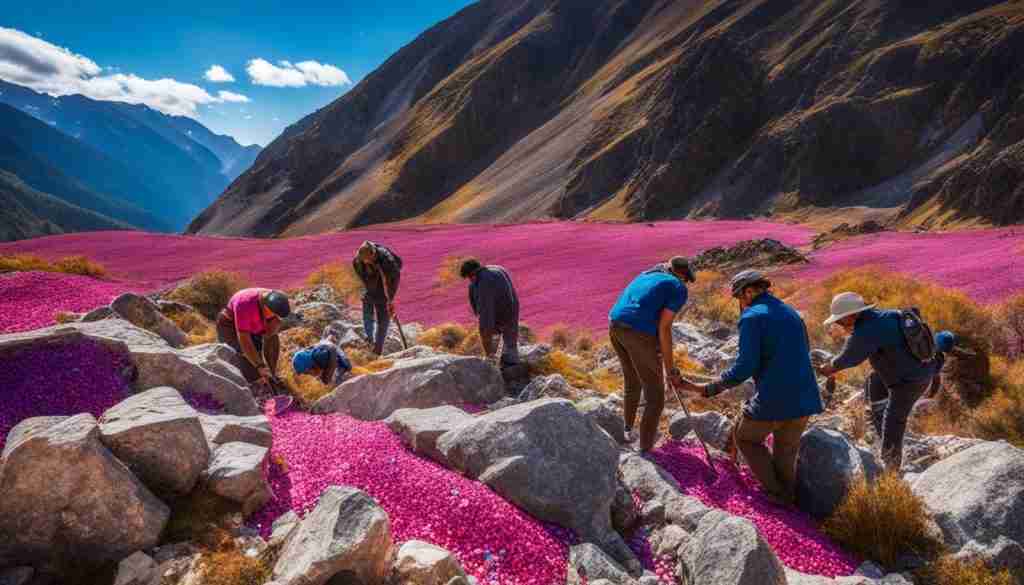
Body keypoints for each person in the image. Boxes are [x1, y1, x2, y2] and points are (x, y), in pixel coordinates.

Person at [679, 270, 823, 506]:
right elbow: (803, 350)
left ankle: (776, 493)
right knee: (785, 450)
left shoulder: (752, 317)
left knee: (745, 438)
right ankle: (788, 498)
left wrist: (709, 389)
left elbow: (744, 367)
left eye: (739, 297)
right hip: (806, 395)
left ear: (747, 292)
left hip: (774, 398)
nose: (740, 302)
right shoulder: (791, 312)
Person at [816, 292, 940, 470]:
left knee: (894, 418)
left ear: (851, 315)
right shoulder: (885, 315)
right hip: (921, 368)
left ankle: (890, 464)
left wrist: (828, 368)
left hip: (910, 381)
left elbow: (848, 358)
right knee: (874, 380)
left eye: (840, 320)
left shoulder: (866, 330)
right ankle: (879, 420)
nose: (839, 324)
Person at [608, 256, 695, 452]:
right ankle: (645, 451)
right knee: (655, 398)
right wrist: (671, 370)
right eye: (686, 279)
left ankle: (627, 432)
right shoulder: (678, 287)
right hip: (637, 333)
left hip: (614, 325)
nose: (686, 283)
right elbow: (664, 328)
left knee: (632, 381)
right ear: (682, 275)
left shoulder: (646, 274)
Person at [216, 288, 291, 386]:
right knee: (253, 371)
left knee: (269, 340)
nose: (277, 319)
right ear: (265, 307)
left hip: (253, 322)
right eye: (275, 315)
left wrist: (271, 370)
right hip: (229, 326)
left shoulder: (276, 299)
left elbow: (271, 337)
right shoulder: (245, 305)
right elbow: (244, 339)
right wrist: (259, 366)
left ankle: (272, 375)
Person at [460, 258, 520, 368]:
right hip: (512, 308)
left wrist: (488, 353)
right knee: (510, 343)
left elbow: (485, 314)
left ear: (473, 273)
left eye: (469, 277)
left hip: (501, 313)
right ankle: (511, 362)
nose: (470, 280)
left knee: (503, 352)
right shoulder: (498, 268)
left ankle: (503, 367)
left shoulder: (483, 282)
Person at [353, 241, 402, 355]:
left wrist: (389, 299)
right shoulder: (357, 262)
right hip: (371, 281)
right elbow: (364, 279)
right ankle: (369, 339)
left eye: (370, 259)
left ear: (374, 254)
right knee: (367, 304)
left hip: (387, 278)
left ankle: (378, 349)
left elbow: (394, 279)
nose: (368, 261)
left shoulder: (387, 260)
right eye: (366, 260)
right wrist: (370, 291)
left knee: (383, 317)